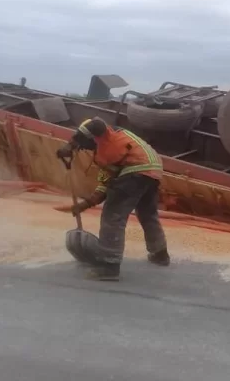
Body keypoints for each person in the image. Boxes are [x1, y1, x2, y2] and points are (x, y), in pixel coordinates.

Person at [56, 117, 170, 281]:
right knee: (147, 214)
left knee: (113, 216)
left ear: (89, 137)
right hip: (152, 172)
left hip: (135, 170)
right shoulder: (106, 152)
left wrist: (70, 144)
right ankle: (160, 254)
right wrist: (86, 204)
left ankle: (109, 266)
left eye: (83, 144)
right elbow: (107, 184)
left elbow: (94, 123)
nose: (84, 148)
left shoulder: (106, 134)